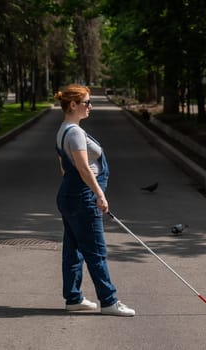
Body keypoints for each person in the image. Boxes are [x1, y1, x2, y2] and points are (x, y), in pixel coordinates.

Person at [54, 84, 135, 317]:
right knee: (96, 251)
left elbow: (63, 167)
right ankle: (109, 301)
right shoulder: (76, 132)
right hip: (82, 197)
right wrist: (99, 194)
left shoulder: (64, 129)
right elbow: (82, 167)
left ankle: (73, 298)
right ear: (73, 105)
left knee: (73, 250)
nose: (90, 106)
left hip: (70, 195)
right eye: (86, 102)